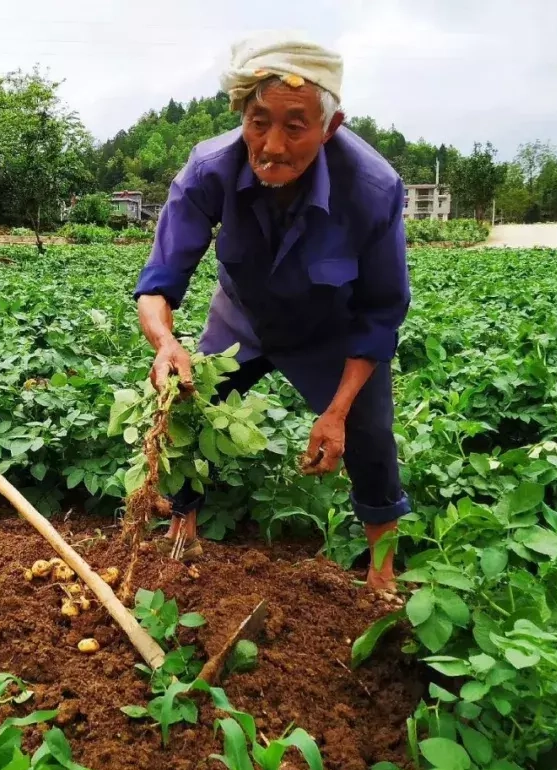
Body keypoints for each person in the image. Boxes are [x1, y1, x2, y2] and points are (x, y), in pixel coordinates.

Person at [133, 31, 411, 591]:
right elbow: (160, 278)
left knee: (371, 435)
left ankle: (383, 573)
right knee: (189, 407)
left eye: (295, 126)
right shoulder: (210, 168)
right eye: (259, 122)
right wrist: (167, 342)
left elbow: (381, 313)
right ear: (241, 117)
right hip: (243, 320)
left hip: (333, 332)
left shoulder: (373, 188)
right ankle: (182, 533)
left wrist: (336, 412)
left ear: (331, 127)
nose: (273, 145)